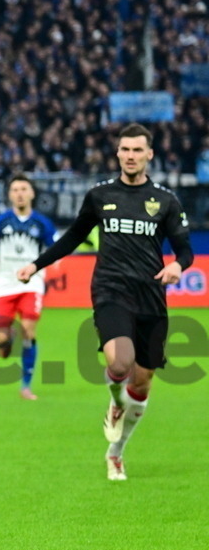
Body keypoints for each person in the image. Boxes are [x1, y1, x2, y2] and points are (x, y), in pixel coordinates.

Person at [17, 123, 193, 481]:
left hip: (151, 296)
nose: (130, 156)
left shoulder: (166, 201)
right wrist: (36, 265)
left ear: (149, 155)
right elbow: (72, 238)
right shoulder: (99, 196)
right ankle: (115, 398)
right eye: (124, 150)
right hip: (111, 291)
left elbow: (186, 251)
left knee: (142, 385)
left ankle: (116, 453)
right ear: (117, 153)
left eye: (137, 150)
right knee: (120, 363)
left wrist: (177, 265)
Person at [0, 174, 56, 400]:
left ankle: (25, 386)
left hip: (32, 283)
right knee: (0, 342)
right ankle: (7, 339)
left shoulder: (42, 223)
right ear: (10, 195)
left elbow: (55, 249)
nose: (19, 193)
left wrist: (50, 261)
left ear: (32, 194)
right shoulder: (1, 221)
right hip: (4, 286)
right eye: (15, 190)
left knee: (29, 330)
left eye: (23, 189)